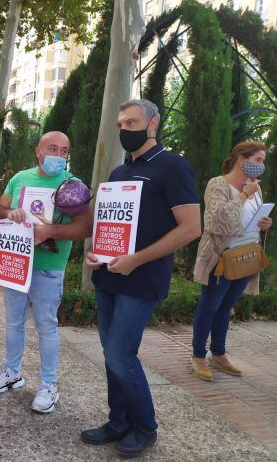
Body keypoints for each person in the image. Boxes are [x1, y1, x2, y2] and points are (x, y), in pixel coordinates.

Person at [83, 99, 201, 458]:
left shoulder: (172, 166)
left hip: (142, 278)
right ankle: (118, 421)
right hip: (110, 277)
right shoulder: (119, 173)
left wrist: (136, 259)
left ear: (152, 125)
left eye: (132, 122)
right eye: (121, 124)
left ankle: (145, 427)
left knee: (121, 354)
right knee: (110, 353)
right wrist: (98, 254)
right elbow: (110, 226)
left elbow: (191, 228)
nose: (125, 130)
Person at [0, 131, 93, 413]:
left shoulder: (73, 185)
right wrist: (10, 213)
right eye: (52, 148)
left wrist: (50, 231)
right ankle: (12, 372)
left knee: (46, 327)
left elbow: (85, 227)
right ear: (38, 151)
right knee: (13, 323)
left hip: (48, 269)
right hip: (16, 263)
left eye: (64, 150)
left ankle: (49, 385)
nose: (58, 155)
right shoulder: (20, 178)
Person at [191, 141, 272, 381]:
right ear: (241, 159)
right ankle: (197, 355)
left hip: (245, 257)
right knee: (210, 306)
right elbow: (217, 221)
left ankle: (218, 353)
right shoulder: (219, 184)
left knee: (225, 307)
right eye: (258, 160)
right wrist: (245, 195)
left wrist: (265, 224)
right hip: (222, 256)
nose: (262, 165)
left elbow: (251, 219)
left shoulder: (256, 187)